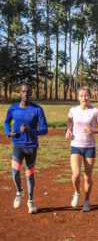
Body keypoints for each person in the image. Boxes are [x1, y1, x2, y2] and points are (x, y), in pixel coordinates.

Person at [4, 83, 48, 214]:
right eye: (23, 92)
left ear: (31, 94)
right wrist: (9, 133)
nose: (25, 94)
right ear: (19, 93)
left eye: (28, 92)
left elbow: (44, 129)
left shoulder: (37, 109)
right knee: (15, 173)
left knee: (29, 176)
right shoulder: (13, 109)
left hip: (31, 147)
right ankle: (19, 192)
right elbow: (7, 122)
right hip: (18, 145)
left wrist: (30, 131)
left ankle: (30, 200)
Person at [66, 87, 98, 212]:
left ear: (90, 96)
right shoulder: (73, 110)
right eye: (82, 95)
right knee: (76, 175)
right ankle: (77, 192)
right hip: (76, 145)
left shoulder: (95, 111)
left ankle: (87, 200)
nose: (84, 98)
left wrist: (92, 130)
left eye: (87, 95)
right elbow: (69, 121)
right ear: (78, 97)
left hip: (89, 147)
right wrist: (68, 129)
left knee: (88, 177)